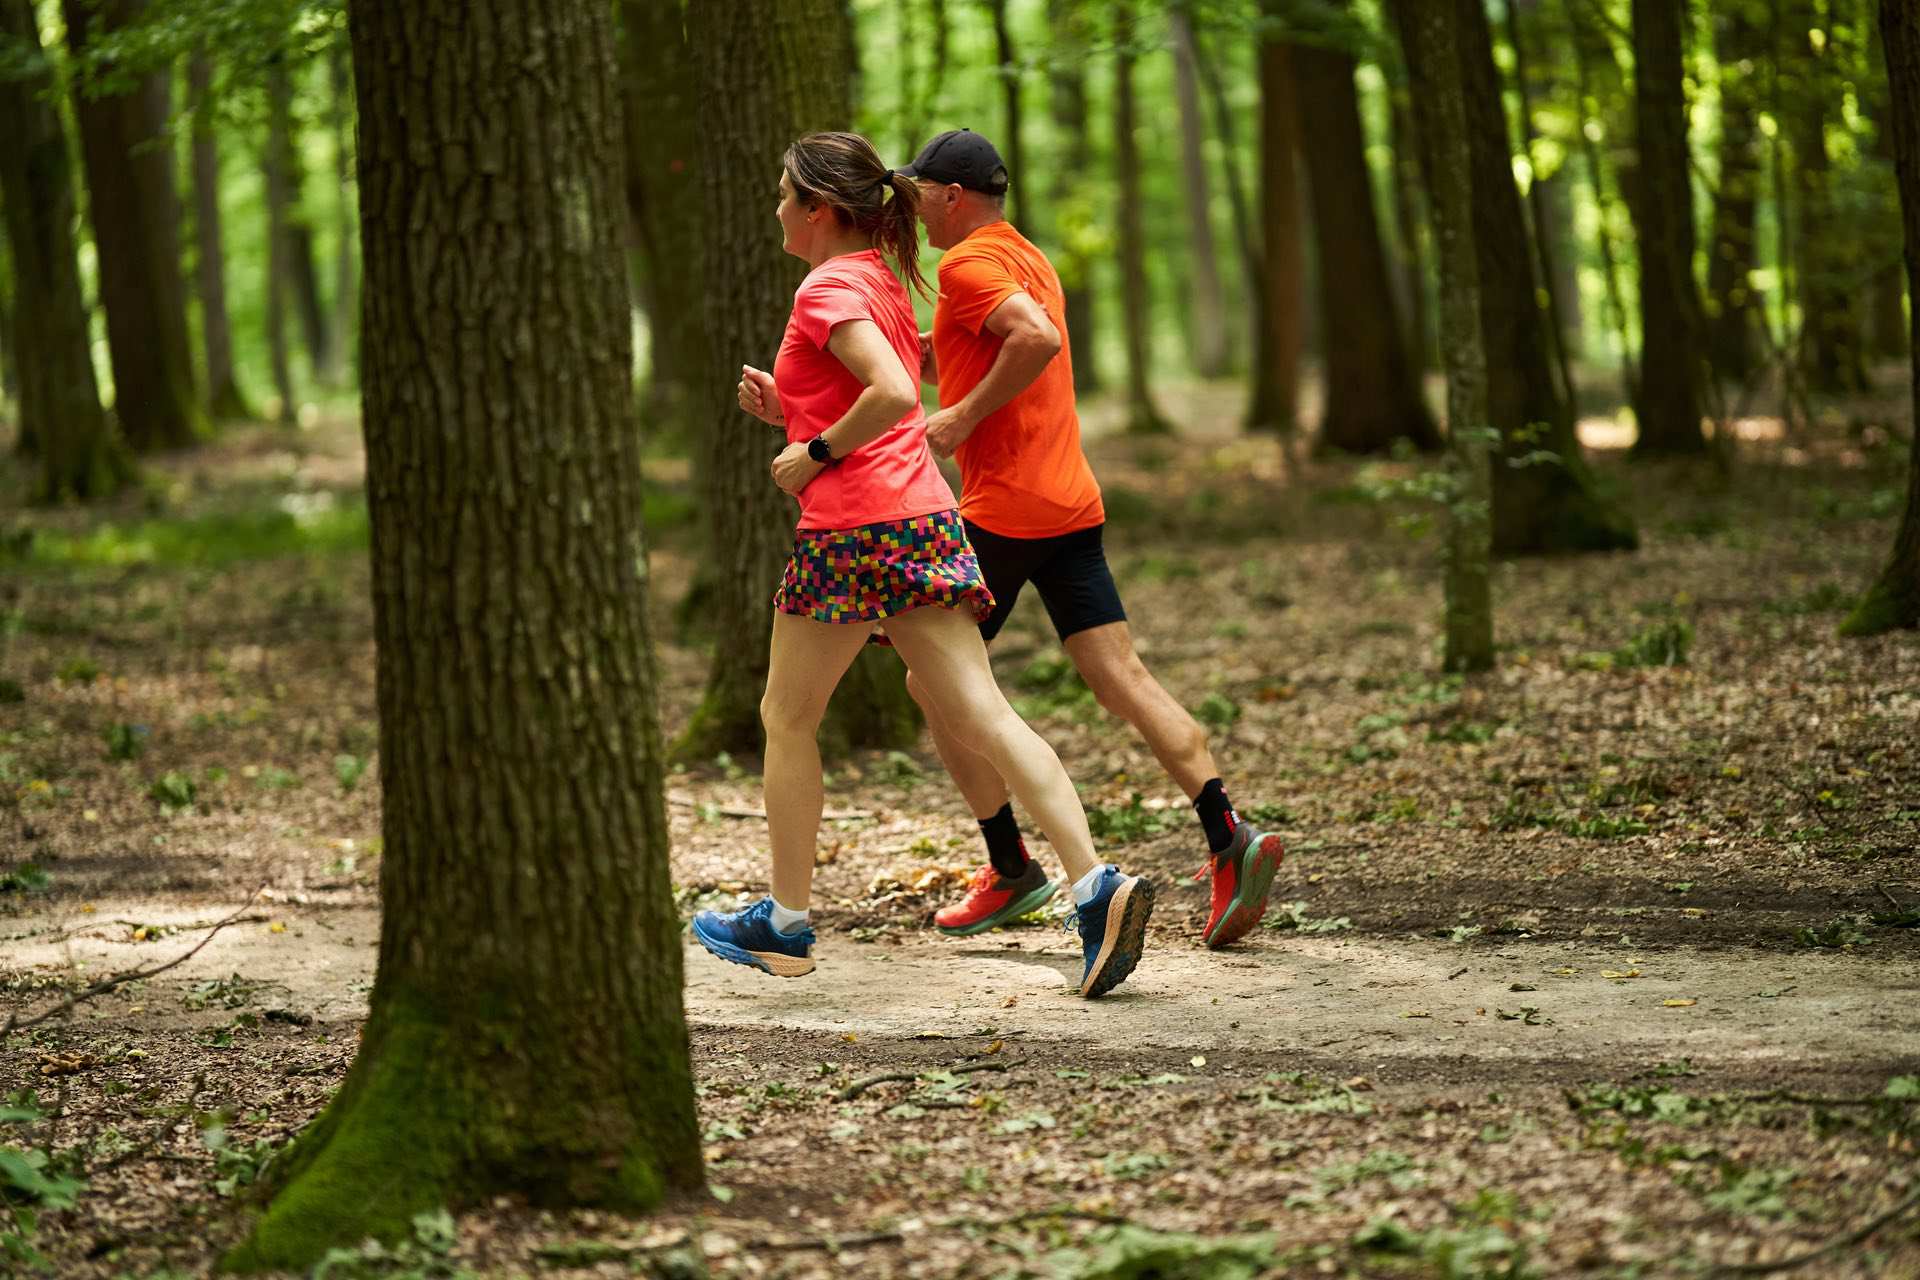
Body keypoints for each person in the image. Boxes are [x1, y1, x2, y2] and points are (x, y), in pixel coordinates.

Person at [743, 129, 1283, 951]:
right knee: (1116, 679)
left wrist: (955, 415)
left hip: (996, 504)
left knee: (930, 697)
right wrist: (805, 402)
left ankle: (1008, 867)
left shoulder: (962, 266)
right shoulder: (1023, 255)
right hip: (1072, 499)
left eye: (922, 189)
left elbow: (1028, 340)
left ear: (950, 196)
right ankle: (1221, 832)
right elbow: (926, 359)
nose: (912, 203)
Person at [692, 131, 1154, 999]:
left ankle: (785, 924)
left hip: (850, 536)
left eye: (785, 196)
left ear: (820, 209)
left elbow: (897, 399)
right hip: (923, 520)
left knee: (786, 718)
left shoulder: (828, 283)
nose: (778, 210)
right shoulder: (882, 283)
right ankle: (1096, 890)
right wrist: (789, 415)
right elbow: (879, 402)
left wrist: (814, 450)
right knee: (982, 709)